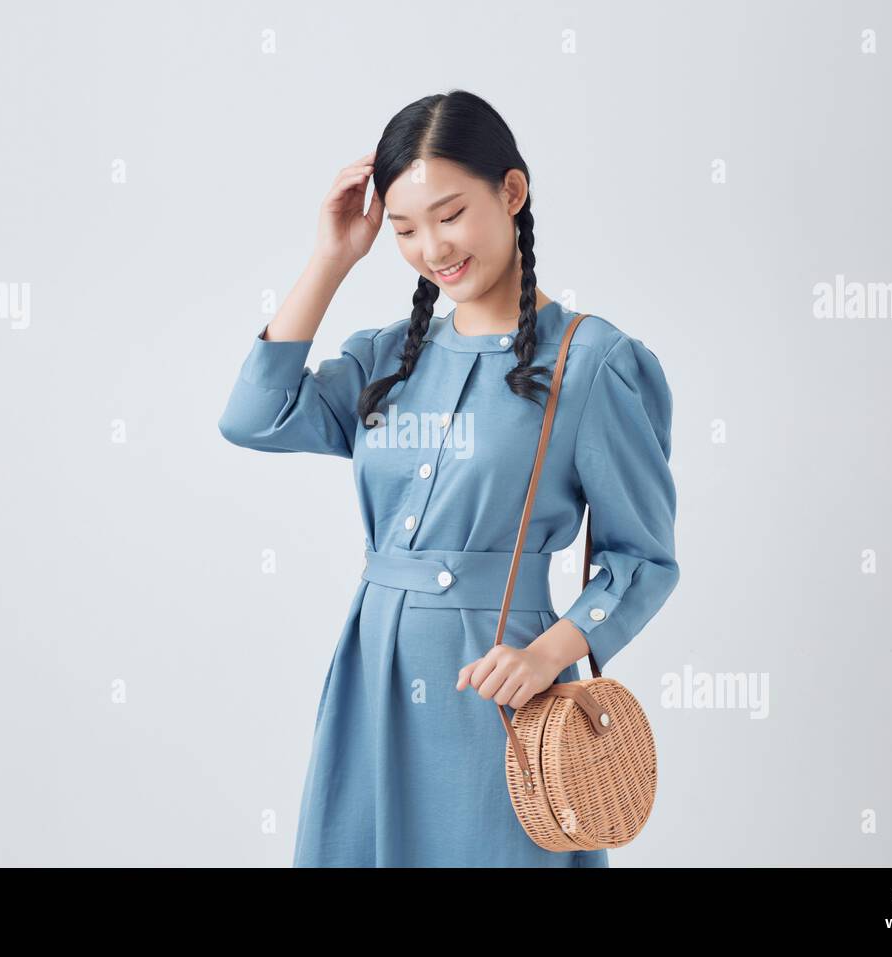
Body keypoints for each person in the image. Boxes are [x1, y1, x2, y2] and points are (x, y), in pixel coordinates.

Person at [218, 89, 680, 867]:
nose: (432, 247)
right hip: (376, 672)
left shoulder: (594, 363)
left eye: (450, 214)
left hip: (504, 685)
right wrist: (334, 255)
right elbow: (252, 416)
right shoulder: (387, 358)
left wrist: (549, 651)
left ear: (512, 191)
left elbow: (643, 560)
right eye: (404, 229)